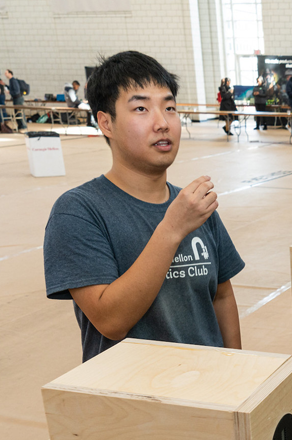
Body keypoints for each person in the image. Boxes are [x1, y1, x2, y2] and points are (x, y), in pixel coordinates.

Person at [43, 51, 245, 363]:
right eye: (141, 108)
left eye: (170, 108)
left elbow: (222, 295)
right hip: (134, 403)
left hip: (210, 395)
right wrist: (172, 228)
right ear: (106, 123)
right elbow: (111, 321)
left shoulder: (193, 206)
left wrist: (238, 371)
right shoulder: (79, 211)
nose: (162, 123)